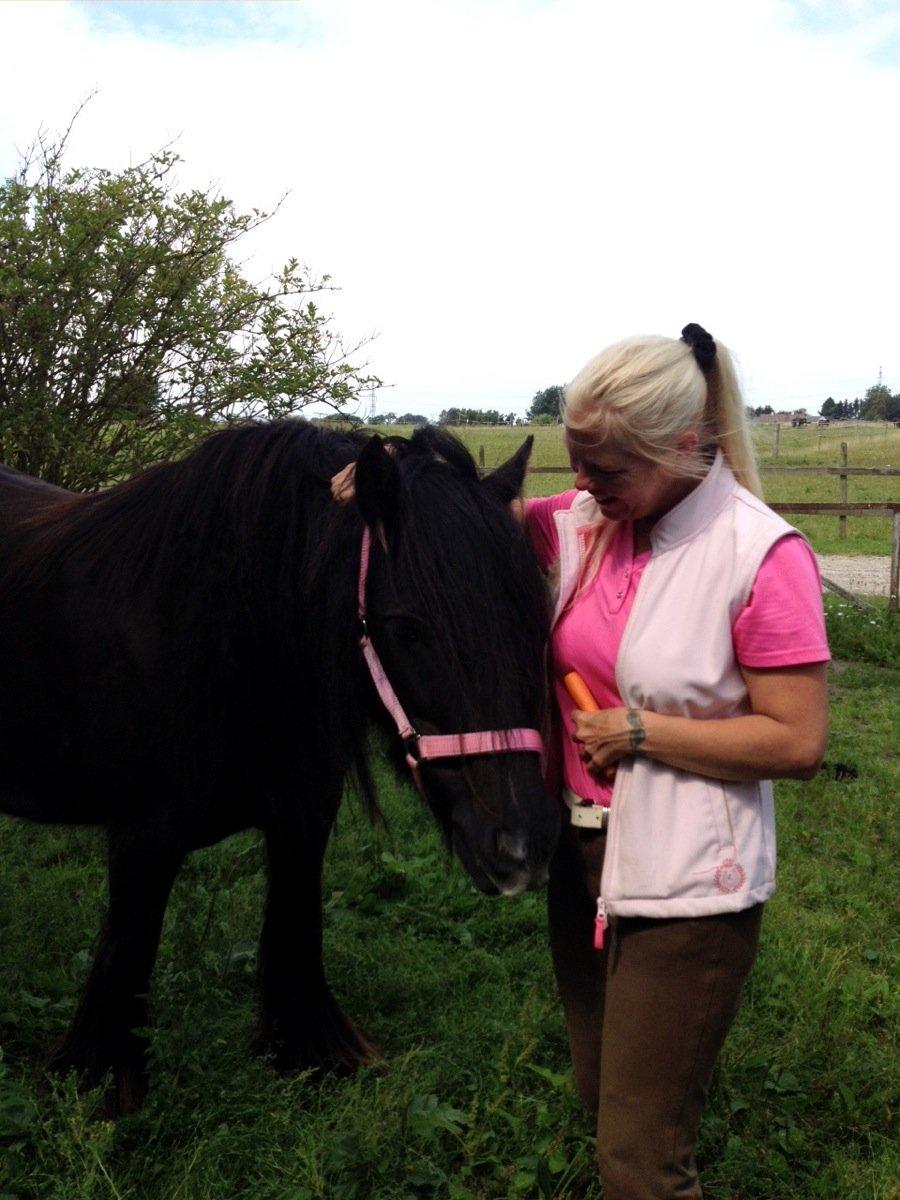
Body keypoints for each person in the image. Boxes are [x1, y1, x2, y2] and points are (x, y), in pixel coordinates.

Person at [528, 324, 829, 1199]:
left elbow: (796, 741)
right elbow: (465, 515)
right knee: (600, 1100)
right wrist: (382, 471)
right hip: (580, 858)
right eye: (575, 460)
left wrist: (644, 733)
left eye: (607, 468)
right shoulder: (585, 523)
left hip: (690, 882)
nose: (581, 484)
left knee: (639, 1165)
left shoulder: (759, 555)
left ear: (685, 446)